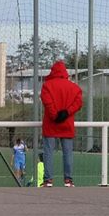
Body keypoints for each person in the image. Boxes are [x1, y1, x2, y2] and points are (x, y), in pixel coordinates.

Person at [39, 59, 83, 187]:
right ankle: (68, 180)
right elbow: (78, 103)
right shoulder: (74, 87)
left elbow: (47, 102)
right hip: (67, 123)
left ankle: (48, 180)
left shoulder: (47, 85)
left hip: (51, 123)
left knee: (48, 152)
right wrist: (66, 112)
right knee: (68, 152)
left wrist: (55, 115)